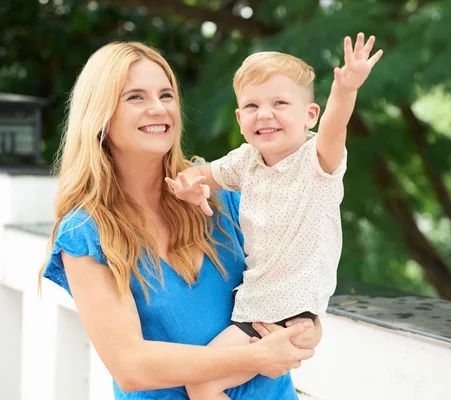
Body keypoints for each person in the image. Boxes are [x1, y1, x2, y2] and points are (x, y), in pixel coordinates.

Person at [39, 41, 323, 400]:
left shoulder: (223, 197)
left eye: (166, 95)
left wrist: (307, 325)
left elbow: (286, 279)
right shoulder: (87, 234)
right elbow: (131, 366)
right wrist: (255, 356)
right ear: (101, 116)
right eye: (135, 98)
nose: (158, 109)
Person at [166, 33, 383, 399]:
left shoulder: (317, 161)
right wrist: (187, 187)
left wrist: (345, 90)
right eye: (251, 106)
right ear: (239, 118)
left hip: (280, 311)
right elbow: (198, 173)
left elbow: (335, 127)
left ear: (309, 115)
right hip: (260, 303)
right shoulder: (245, 160)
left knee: (201, 384)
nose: (264, 114)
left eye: (280, 103)